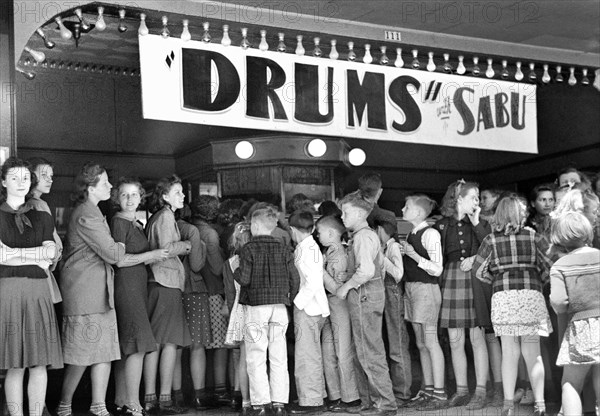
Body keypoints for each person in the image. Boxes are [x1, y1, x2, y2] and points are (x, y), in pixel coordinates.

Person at [472, 194, 554, 416]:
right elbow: (550, 266)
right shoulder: (534, 236)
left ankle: (508, 405)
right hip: (530, 295)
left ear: (498, 215)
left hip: (504, 297)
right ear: (522, 214)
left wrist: (496, 279)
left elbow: (478, 270)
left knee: (509, 352)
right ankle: (540, 404)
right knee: (532, 352)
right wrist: (538, 280)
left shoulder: (490, 240)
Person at [58, 162, 126, 416]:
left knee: (103, 352)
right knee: (81, 353)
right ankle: (65, 405)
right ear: (90, 187)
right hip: (85, 295)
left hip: (97, 293)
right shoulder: (87, 214)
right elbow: (112, 253)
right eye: (105, 182)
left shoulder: (92, 212)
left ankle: (98, 406)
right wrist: (119, 245)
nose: (110, 186)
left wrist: (115, 246)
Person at [0, 157, 62, 416]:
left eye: (25, 177)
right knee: (15, 365)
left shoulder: (42, 216)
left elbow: (50, 255)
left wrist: (13, 253)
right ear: (4, 181)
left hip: (38, 291)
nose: (21, 182)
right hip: (9, 290)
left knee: (38, 364)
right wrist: (35, 255)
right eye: (14, 177)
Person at [109, 178, 170, 415]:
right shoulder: (119, 222)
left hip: (137, 285)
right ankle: (133, 405)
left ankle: (122, 401)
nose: (130, 199)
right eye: (124, 195)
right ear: (117, 198)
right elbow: (120, 260)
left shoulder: (134, 222)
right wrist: (151, 254)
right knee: (138, 345)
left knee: (130, 344)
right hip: (127, 285)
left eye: (135, 195)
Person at [233, 206, 300, 416]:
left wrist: (235, 271)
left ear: (254, 225)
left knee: (256, 355)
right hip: (280, 306)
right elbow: (295, 279)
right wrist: (288, 295)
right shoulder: (283, 248)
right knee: (279, 356)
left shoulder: (249, 249)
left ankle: (261, 404)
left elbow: (244, 278)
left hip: (256, 306)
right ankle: (280, 403)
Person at [336, 191, 397, 416]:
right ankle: (371, 402)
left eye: (346, 212)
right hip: (369, 294)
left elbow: (366, 271)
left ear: (362, 213)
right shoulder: (365, 235)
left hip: (364, 296)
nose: (342, 216)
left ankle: (385, 404)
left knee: (369, 352)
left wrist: (345, 286)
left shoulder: (362, 237)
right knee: (366, 349)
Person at [433, 180, 490, 410]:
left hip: (474, 280)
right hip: (451, 279)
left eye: (478, 198)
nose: (477, 202)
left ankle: (482, 392)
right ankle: (461, 391)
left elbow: (490, 246)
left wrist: (476, 223)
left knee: (477, 339)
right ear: (458, 198)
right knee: (455, 340)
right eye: (473, 197)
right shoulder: (441, 225)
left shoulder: (481, 223)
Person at [144, 175, 192, 414]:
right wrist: (186, 245)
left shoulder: (159, 216)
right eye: (177, 192)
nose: (182, 196)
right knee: (169, 342)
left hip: (157, 282)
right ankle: (163, 399)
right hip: (166, 281)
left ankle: (152, 397)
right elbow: (164, 250)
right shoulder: (165, 217)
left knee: (156, 342)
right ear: (164, 196)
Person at [396, 194, 446, 411]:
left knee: (431, 342)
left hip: (426, 288)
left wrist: (413, 255)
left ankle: (440, 393)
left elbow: (437, 268)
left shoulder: (431, 233)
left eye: (407, 207)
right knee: (421, 343)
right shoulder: (412, 234)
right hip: (412, 288)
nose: (403, 209)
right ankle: (428, 389)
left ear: (417, 212)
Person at [549, 211, 600, 416]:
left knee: (570, 381)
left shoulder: (560, 266)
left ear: (560, 238)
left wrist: (557, 306)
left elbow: (560, 303)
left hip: (582, 328)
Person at [315, 215, 361, 412]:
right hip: (328, 306)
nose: (317, 236)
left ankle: (350, 396)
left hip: (338, 304)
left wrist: (318, 270)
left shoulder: (340, 254)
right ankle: (335, 395)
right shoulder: (329, 252)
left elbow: (336, 288)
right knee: (329, 352)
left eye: (319, 232)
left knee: (343, 351)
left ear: (331, 233)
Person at [287, 210, 330, 414]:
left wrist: (297, 303)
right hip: (314, 307)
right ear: (312, 228)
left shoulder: (307, 250)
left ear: (292, 230)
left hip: (308, 308)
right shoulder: (309, 247)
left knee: (306, 355)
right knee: (311, 354)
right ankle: (314, 396)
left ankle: (311, 401)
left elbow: (312, 282)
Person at [191, 195, 229, 404]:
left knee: (199, 344)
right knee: (220, 344)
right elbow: (216, 267)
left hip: (196, 290)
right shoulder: (210, 233)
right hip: (214, 291)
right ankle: (221, 390)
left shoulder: (189, 228)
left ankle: (201, 393)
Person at [373, 213, 412, 406]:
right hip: (386, 293)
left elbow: (398, 273)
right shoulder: (386, 246)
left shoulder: (394, 246)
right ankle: (398, 389)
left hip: (393, 292)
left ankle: (403, 391)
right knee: (392, 342)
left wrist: (381, 257)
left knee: (397, 342)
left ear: (382, 229)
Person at [175, 206, 211, 410]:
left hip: (173, 289)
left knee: (175, 347)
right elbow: (197, 265)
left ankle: (176, 395)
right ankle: (199, 395)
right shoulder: (193, 231)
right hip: (194, 289)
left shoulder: (164, 226)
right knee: (197, 345)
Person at [223, 221, 252, 415]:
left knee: (241, 357)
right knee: (256, 358)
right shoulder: (256, 257)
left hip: (238, 309)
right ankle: (257, 398)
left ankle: (243, 400)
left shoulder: (229, 263)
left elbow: (230, 293)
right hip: (255, 307)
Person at [25, 157, 62, 304]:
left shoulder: (25, 203)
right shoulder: (39, 205)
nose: (50, 180)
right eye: (44, 176)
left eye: (51, 177)